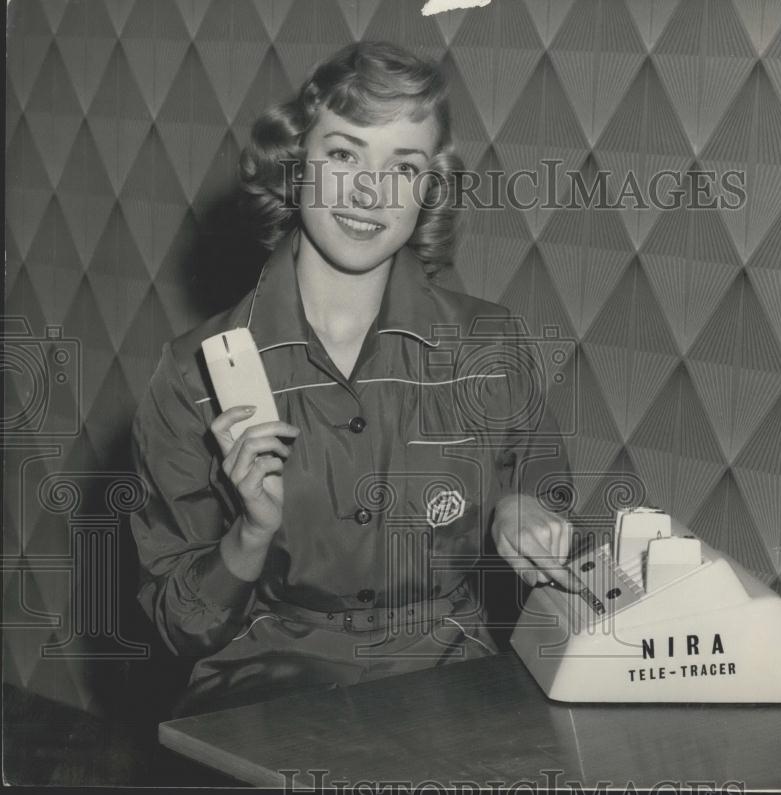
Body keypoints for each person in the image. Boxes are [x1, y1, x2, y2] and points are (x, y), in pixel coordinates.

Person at [130, 41, 573, 716]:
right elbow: (177, 625)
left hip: (454, 682)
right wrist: (249, 534)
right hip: (264, 693)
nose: (371, 191)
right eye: (344, 154)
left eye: (404, 165)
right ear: (296, 162)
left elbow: (548, 507)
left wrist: (521, 510)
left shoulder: (492, 346)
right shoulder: (192, 375)